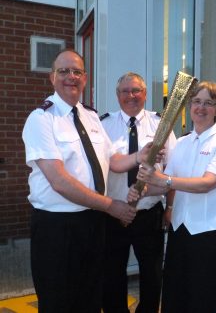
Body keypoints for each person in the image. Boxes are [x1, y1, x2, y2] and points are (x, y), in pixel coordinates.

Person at [22, 50, 157, 313]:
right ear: (52, 77)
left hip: (93, 223)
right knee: (59, 300)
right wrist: (110, 205)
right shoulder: (41, 119)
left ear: (85, 79)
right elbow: (59, 181)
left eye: (77, 72)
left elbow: (112, 161)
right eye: (64, 71)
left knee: (91, 297)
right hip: (58, 227)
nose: (71, 77)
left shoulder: (91, 116)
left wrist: (140, 156)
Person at [128, 81, 216, 313]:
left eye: (209, 103)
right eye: (197, 101)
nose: (201, 107)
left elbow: (207, 184)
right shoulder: (181, 143)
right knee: (175, 295)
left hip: (209, 233)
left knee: (203, 297)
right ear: (189, 106)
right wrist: (143, 189)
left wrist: (163, 181)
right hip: (180, 230)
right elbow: (166, 183)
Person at [100, 72, 176, 313]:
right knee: (111, 274)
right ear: (117, 95)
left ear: (145, 94)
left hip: (149, 213)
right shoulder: (103, 126)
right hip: (113, 213)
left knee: (152, 275)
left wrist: (170, 208)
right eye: (125, 91)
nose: (131, 96)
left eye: (136, 91)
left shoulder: (161, 124)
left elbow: (174, 171)